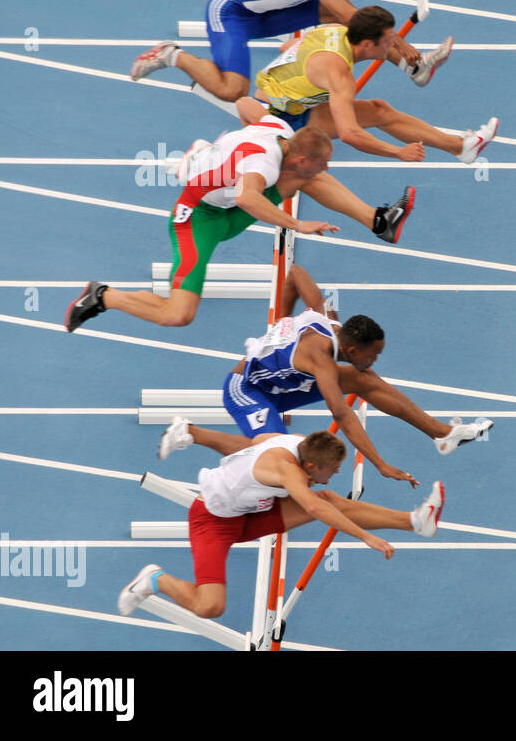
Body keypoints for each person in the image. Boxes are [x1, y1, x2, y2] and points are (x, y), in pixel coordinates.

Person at [64, 115, 414, 332]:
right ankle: (103, 296)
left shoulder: (279, 129)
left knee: (305, 180)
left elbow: (249, 105)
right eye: (322, 162)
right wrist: (297, 224)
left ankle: (379, 221)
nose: (327, 168)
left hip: (226, 204)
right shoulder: (263, 165)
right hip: (197, 220)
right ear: (300, 157)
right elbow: (248, 198)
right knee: (178, 315)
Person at [157, 264, 493, 486]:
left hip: (281, 385)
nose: (375, 359)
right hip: (246, 388)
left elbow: (295, 274)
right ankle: (189, 432)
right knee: (276, 450)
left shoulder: (327, 316)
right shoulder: (321, 360)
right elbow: (342, 415)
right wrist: (380, 464)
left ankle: (441, 434)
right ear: (353, 350)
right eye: (373, 354)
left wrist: (279, 325)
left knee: (365, 380)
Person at [117, 426, 445, 619]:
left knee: (329, 498)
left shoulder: (294, 443)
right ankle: (154, 579)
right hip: (212, 522)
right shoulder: (288, 470)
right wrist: (365, 537)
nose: (336, 473)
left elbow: (249, 442)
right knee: (210, 606)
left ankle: (417, 522)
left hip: (250, 512)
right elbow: (313, 507)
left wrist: (196, 435)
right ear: (311, 465)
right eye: (332, 469)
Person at [130, 0, 450, 103]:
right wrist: (397, 39)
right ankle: (171, 54)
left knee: (337, 13)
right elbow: (349, 14)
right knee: (233, 90)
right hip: (230, 12)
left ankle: (414, 68)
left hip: (267, 7)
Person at [251, 6, 496, 163]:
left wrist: (304, 80)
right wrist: (397, 152)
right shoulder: (340, 76)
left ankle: (461, 147)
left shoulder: (334, 30)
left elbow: (286, 48)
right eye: (388, 41)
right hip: (275, 117)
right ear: (367, 44)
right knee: (314, 173)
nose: (392, 45)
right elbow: (350, 134)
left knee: (379, 110)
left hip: (284, 101)